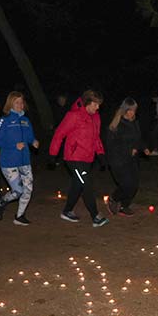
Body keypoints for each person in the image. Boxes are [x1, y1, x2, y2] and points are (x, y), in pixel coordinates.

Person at [50, 90, 109, 227]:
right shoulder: (73, 116)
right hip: (74, 158)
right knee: (87, 185)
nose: (98, 107)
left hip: (87, 158)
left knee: (78, 185)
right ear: (87, 102)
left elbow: (96, 138)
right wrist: (53, 155)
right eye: (95, 104)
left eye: (99, 105)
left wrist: (100, 154)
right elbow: (59, 134)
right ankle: (95, 216)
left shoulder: (96, 117)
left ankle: (67, 211)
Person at [0, 91, 39, 225]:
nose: (20, 105)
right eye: (17, 102)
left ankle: (19, 216)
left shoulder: (26, 120)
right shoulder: (4, 120)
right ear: (10, 103)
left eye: (21, 102)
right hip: (9, 162)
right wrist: (14, 145)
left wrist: (33, 141)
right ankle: (1, 202)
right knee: (18, 190)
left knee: (28, 189)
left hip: (24, 160)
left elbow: (30, 137)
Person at [104, 98, 148, 216]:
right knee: (126, 184)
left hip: (131, 160)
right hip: (118, 160)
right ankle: (113, 198)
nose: (132, 113)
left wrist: (144, 148)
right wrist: (129, 150)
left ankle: (124, 205)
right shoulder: (117, 124)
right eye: (130, 110)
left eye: (134, 110)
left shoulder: (134, 123)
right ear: (124, 110)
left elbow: (138, 139)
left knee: (134, 185)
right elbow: (112, 145)